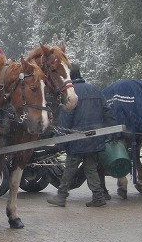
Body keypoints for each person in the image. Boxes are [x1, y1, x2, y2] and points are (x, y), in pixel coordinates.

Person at [47, 63, 118, 207]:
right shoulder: (95, 90)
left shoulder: (71, 95)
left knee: (69, 169)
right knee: (91, 168)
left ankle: (61, 196)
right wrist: (113, 132)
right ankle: (98, 196)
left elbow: (66, 119)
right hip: (94, 139)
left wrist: (61, 142)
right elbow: (107, 112)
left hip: (77, 140)